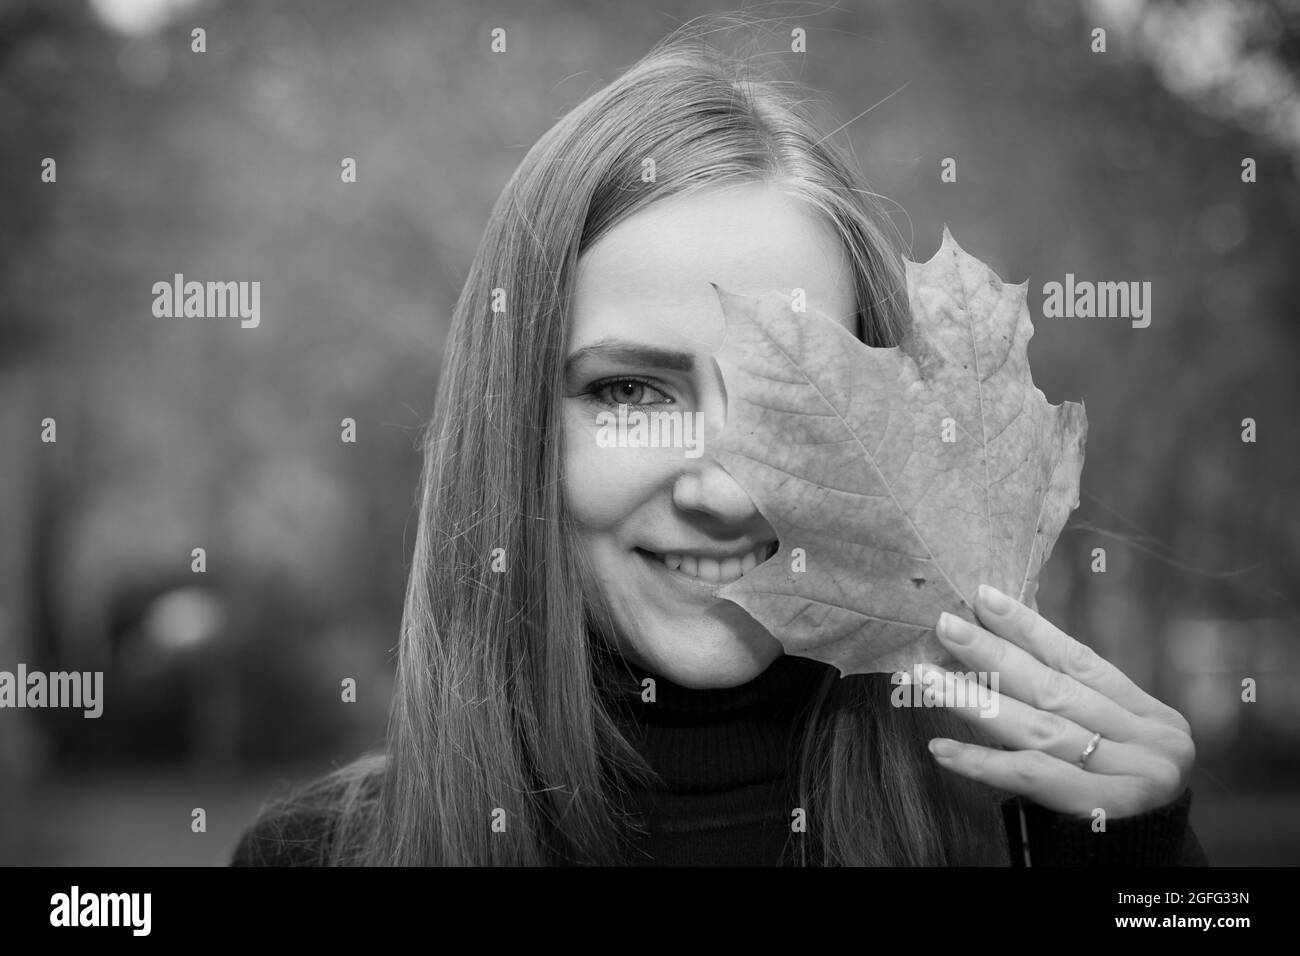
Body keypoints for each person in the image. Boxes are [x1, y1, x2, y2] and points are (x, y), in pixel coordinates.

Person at [230, 18, 1205, 867]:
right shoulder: (323, 853)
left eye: (785, 403)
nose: (727, 489)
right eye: (628, 389)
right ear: (519, 425)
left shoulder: (1020, 827)